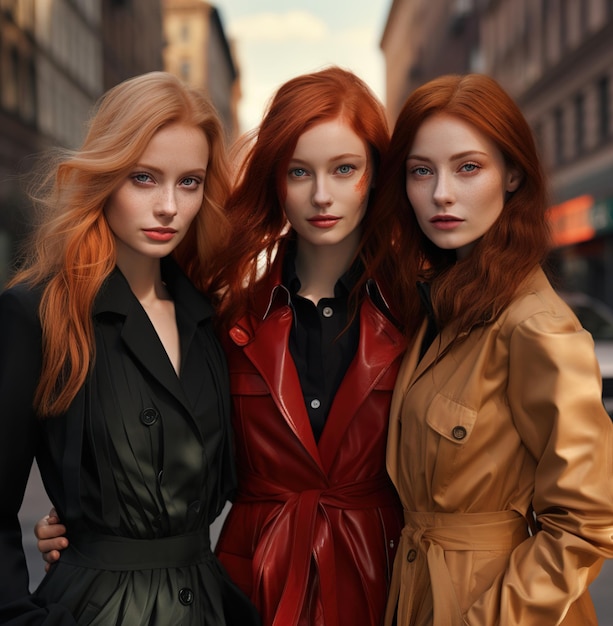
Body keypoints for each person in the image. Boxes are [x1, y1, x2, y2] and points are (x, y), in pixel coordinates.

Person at [34, 66, 406, 626]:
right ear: (274, 180)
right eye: (298, 171)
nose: (322, 195)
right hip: (248, 581)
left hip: (382, 574)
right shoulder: (225, 315)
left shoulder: (417, 313)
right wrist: (90, 532)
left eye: (345, 168)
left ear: (376, 174)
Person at [0, 71, 259, 625]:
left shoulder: (211, 319)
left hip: (208, 604)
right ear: (105, 176)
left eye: (189, 182)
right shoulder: (39, 312)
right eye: (144, 178)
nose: (169, 206)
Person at [374, 73, 613, 626]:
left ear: (511, 175)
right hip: (416, 594)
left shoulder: (536, 326)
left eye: (468, 167)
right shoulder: (440, 307)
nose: (441, 194)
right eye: (420, 171)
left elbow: (587, 522)